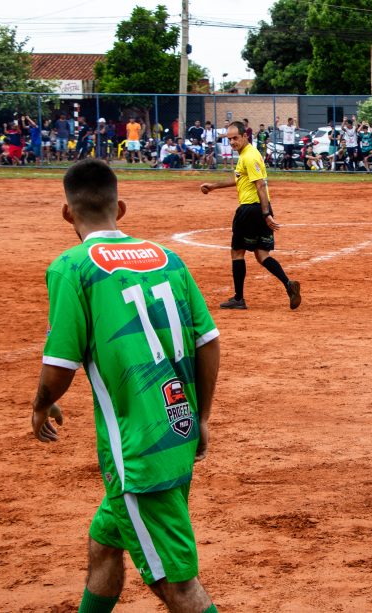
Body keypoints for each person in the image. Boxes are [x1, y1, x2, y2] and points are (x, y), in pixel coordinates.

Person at [30, 159, 221, 612]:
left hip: (136, 452)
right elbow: (209, 341)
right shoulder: (168, 259)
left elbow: (60, 365)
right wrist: (203, 416)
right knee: (104, 544)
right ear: (122, 207)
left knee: (175, 583)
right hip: (177, 427)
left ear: (66, 212)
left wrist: (41, 404)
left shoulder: (73, 268)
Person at [200, 121, 301, 310]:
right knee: (262, 254)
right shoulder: (245, 155)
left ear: (245, 135)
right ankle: (288, 284)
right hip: (259, 208)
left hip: (249, 210)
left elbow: (260, 185)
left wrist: (266, 214)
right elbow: (240, 179)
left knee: (237, 252)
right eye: (229, 139)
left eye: (235, 138)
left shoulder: (250, 157)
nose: (232, 142)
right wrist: (214, 186)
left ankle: (239, 298)